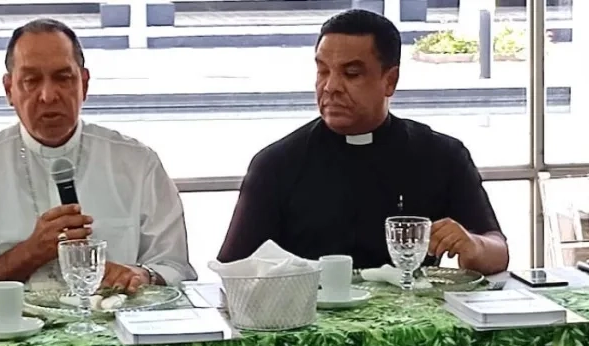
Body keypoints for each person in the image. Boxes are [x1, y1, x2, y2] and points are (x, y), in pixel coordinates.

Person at [217, 9, 509, 275]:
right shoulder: (277, 163)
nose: (331, 87)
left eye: (351, 73)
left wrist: (473, 245)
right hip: (309, 326)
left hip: (413, 325)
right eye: (322, 71)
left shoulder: (440, 155)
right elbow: (232, 269)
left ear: (390, 81)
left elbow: (498, 250)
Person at [0, 18, 196, 294]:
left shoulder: (138, 163)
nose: (48, 95)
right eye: (31, 81)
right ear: (9, 90)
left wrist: (139, 275)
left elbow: (177, 269)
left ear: (84, 84)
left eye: (63, 78)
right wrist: (30, 253)